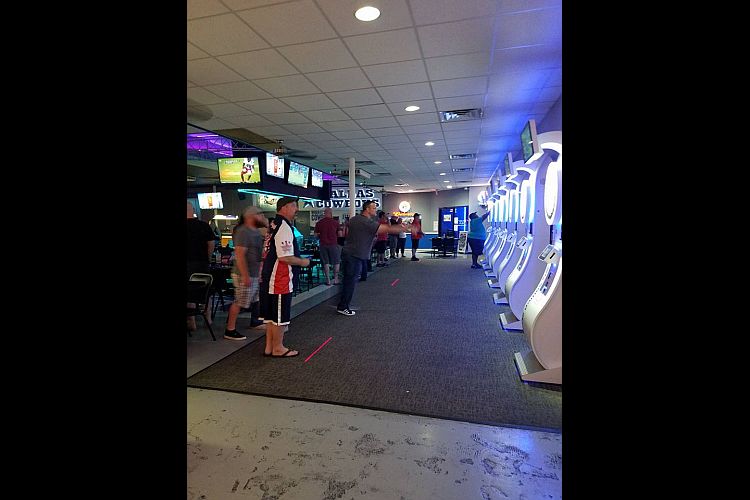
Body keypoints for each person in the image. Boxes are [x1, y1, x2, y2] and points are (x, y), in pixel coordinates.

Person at [336, 201, 410, 316]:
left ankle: (342, 304)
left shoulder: (354, 219)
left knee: (348, 280)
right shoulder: (366, 222)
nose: (376, 210)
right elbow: (386, 229)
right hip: (354, 255)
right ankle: (343, 306)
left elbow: (348, 232)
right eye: (374, 208)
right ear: (367, 209)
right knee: (350, 281)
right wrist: (405, 228)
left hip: (350, 253)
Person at [259, 197, 311, 357]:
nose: (297, 209)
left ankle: (269, 346)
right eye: (294, 206)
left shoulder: (273, 225)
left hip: (268, 276)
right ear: (284, 208)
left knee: (271, 316)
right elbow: (285, 257)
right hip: (280, 278)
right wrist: (303, 262)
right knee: (280, 316)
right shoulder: (284, 227)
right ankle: (278, 348)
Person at [224, 206, 267, 340]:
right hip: (244, 274)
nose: (262, 216)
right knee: (240, 302)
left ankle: (255, 322)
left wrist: (258, 273)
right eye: (259, 214)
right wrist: (245, 275)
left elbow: (258, 255)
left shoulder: (255, 232)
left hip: (253, 273)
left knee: (255, 299)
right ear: (251, 216)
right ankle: (230, 330)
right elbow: (240, 255)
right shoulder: (243, 231)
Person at [187, 201, 215, 330]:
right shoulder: (204, 226)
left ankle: (191, 320)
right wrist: (207, 258)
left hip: (188, 264)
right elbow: (211, 244)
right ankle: (207, 317)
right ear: (193, 210)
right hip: (202, 264)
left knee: (189, 292)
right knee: (205, 290)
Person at [314, 208, 341, 286]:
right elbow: (340, 234)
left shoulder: (319, 223)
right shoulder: (335, 223)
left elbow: (315, 235)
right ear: (331, 213)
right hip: (333, 244)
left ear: (324, 213)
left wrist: (320, 235)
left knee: (326, 263)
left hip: (323, 245)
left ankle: (328, 280)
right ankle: (336, 279)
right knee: (336, 262)